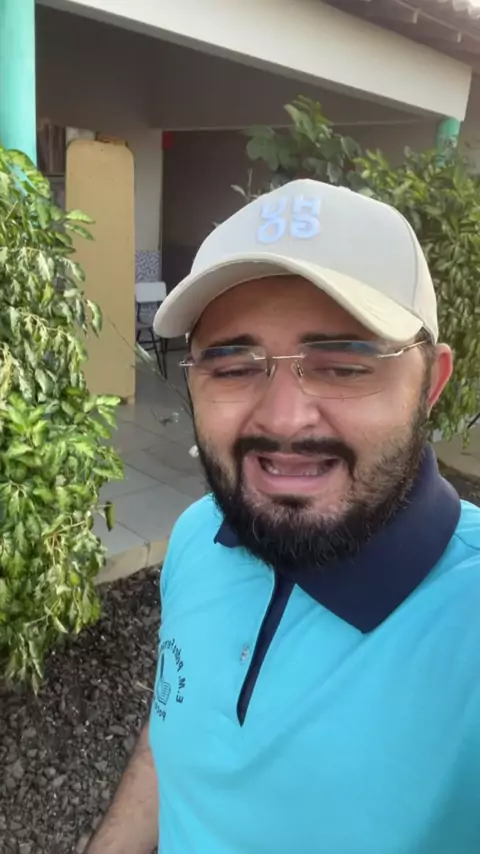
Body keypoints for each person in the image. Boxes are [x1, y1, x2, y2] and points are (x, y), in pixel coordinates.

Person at [86, 179, 480, 854]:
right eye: (234, 367)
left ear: (431, 384)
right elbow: (171, 738)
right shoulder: (198, 536)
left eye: (343, 366)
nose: (283, 419)